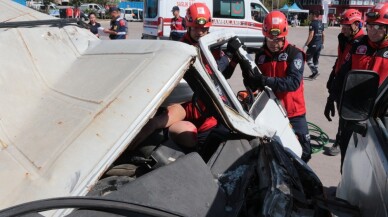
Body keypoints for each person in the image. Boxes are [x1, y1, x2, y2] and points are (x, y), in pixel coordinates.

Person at [228, 11, 312, 162]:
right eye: (270, 39)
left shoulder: (295, 54)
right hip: (271, 113)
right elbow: (253, 84)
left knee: (304, 153)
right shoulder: (261, 56)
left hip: (294, 113)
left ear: (284, 35)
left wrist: (265, 80)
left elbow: (293, 83)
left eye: (278, 39)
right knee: (272, 154)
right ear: (265, 36)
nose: (274, 43)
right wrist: (242, 61)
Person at [325, 2, 388, 171]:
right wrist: (332, 97)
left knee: (374, 166)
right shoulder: (358, 45)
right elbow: (342, 74)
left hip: (379, 117)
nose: (372, 31)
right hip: (353, 113)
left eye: (378, 27)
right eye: (370, 26)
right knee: (347, 161)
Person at [325, 9, 365, 156]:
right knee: (342, 116)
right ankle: (340, 139)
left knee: (345, 118)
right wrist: (332, 76)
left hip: (349, 88)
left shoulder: (361, 44)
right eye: (342, 26)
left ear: (357, 25)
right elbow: (340, 60)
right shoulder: (344, 39)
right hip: (340, 83)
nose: (343, 29)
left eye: (346, 26)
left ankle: (339, 142)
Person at [304, 10, 324, 79]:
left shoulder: (312, 24)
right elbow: (323, 35)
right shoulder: (321, 24)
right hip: (319, 44)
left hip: (313, 44)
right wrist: (322, 43)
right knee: (315, 59)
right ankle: (314, 74)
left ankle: (315, 71)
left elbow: (311, 35)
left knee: (307, 58)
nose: (309, 16)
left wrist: (306, 44)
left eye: (310, 15)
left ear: (314, 15)